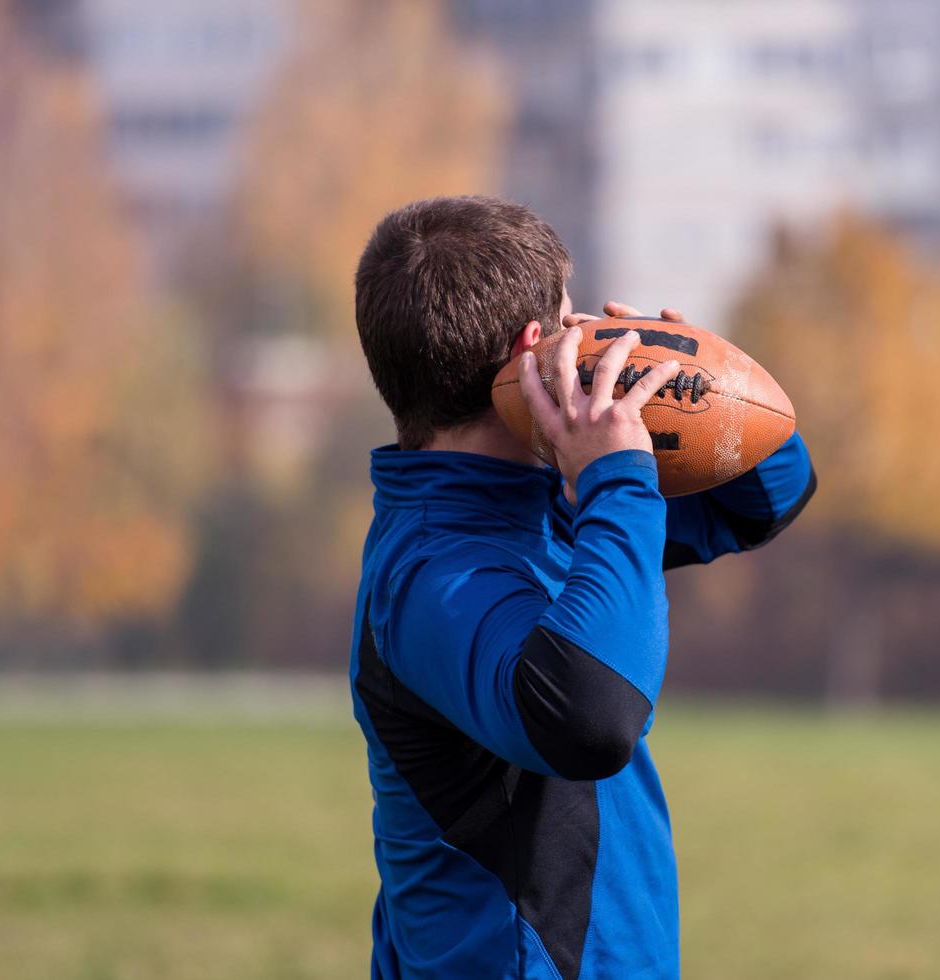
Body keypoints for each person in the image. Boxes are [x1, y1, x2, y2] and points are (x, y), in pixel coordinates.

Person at [348, 195, 815, 979]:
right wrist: (617, 479)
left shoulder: (543, 498)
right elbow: (591, 717)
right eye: (576, 323)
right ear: (535, 351)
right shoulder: (433, 569)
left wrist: (695, 377)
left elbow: (766, 498)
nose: (593, 338)